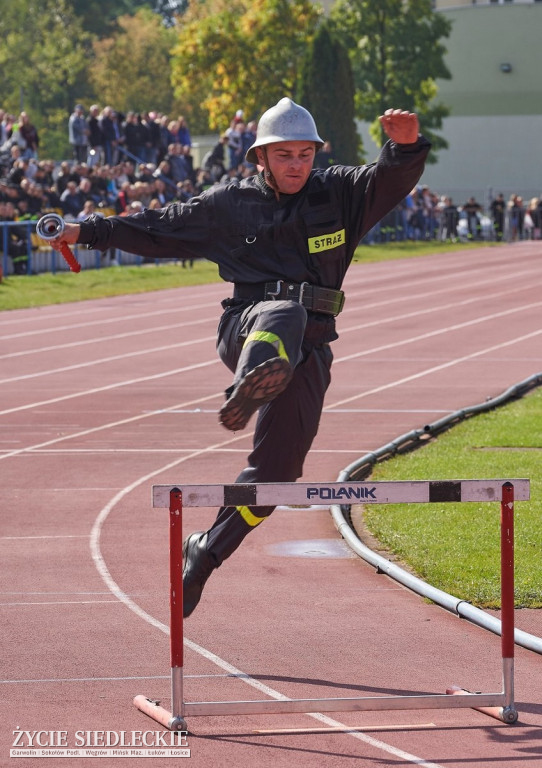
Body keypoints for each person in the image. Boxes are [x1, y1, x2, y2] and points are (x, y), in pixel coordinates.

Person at [49, 97, 430, 618]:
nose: (296, 164)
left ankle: (205, 552)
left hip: (311, 349)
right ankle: (254, 378)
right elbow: (156, 226)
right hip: (246, 327)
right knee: (284, 312)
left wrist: (405, 147)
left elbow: (391, 177)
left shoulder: (341, 192)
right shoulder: (229, 204)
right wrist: (84, 229)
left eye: (304, 154)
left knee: (276, 477)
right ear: (260, 158)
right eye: (283, 155)